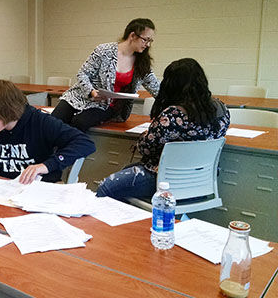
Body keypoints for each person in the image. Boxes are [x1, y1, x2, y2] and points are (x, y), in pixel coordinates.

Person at [96, 58, 230, 200]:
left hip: (166, 178)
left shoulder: (173, 115)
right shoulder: (222, 109)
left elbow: (146, 148)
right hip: (201, 178)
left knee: (106, 187)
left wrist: (145, 135)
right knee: (126, 175)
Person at [0, 80, 96, 184]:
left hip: (41, 189)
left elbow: (84, 143)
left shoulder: (40, 122)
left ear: (9, 113)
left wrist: (46, 166)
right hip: (3, 187)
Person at [52, 18, 160, 131]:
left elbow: (156, 88)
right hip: (79, 96)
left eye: (150, 41)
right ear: (132, 35)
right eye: (145, 40)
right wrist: (91, 92)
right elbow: (83, 74)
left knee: (79, 122)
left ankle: (66, 148)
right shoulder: (104, 51)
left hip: (104, 105)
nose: (147, 45)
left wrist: (175, 105)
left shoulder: (142, 62)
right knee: (53, 122)